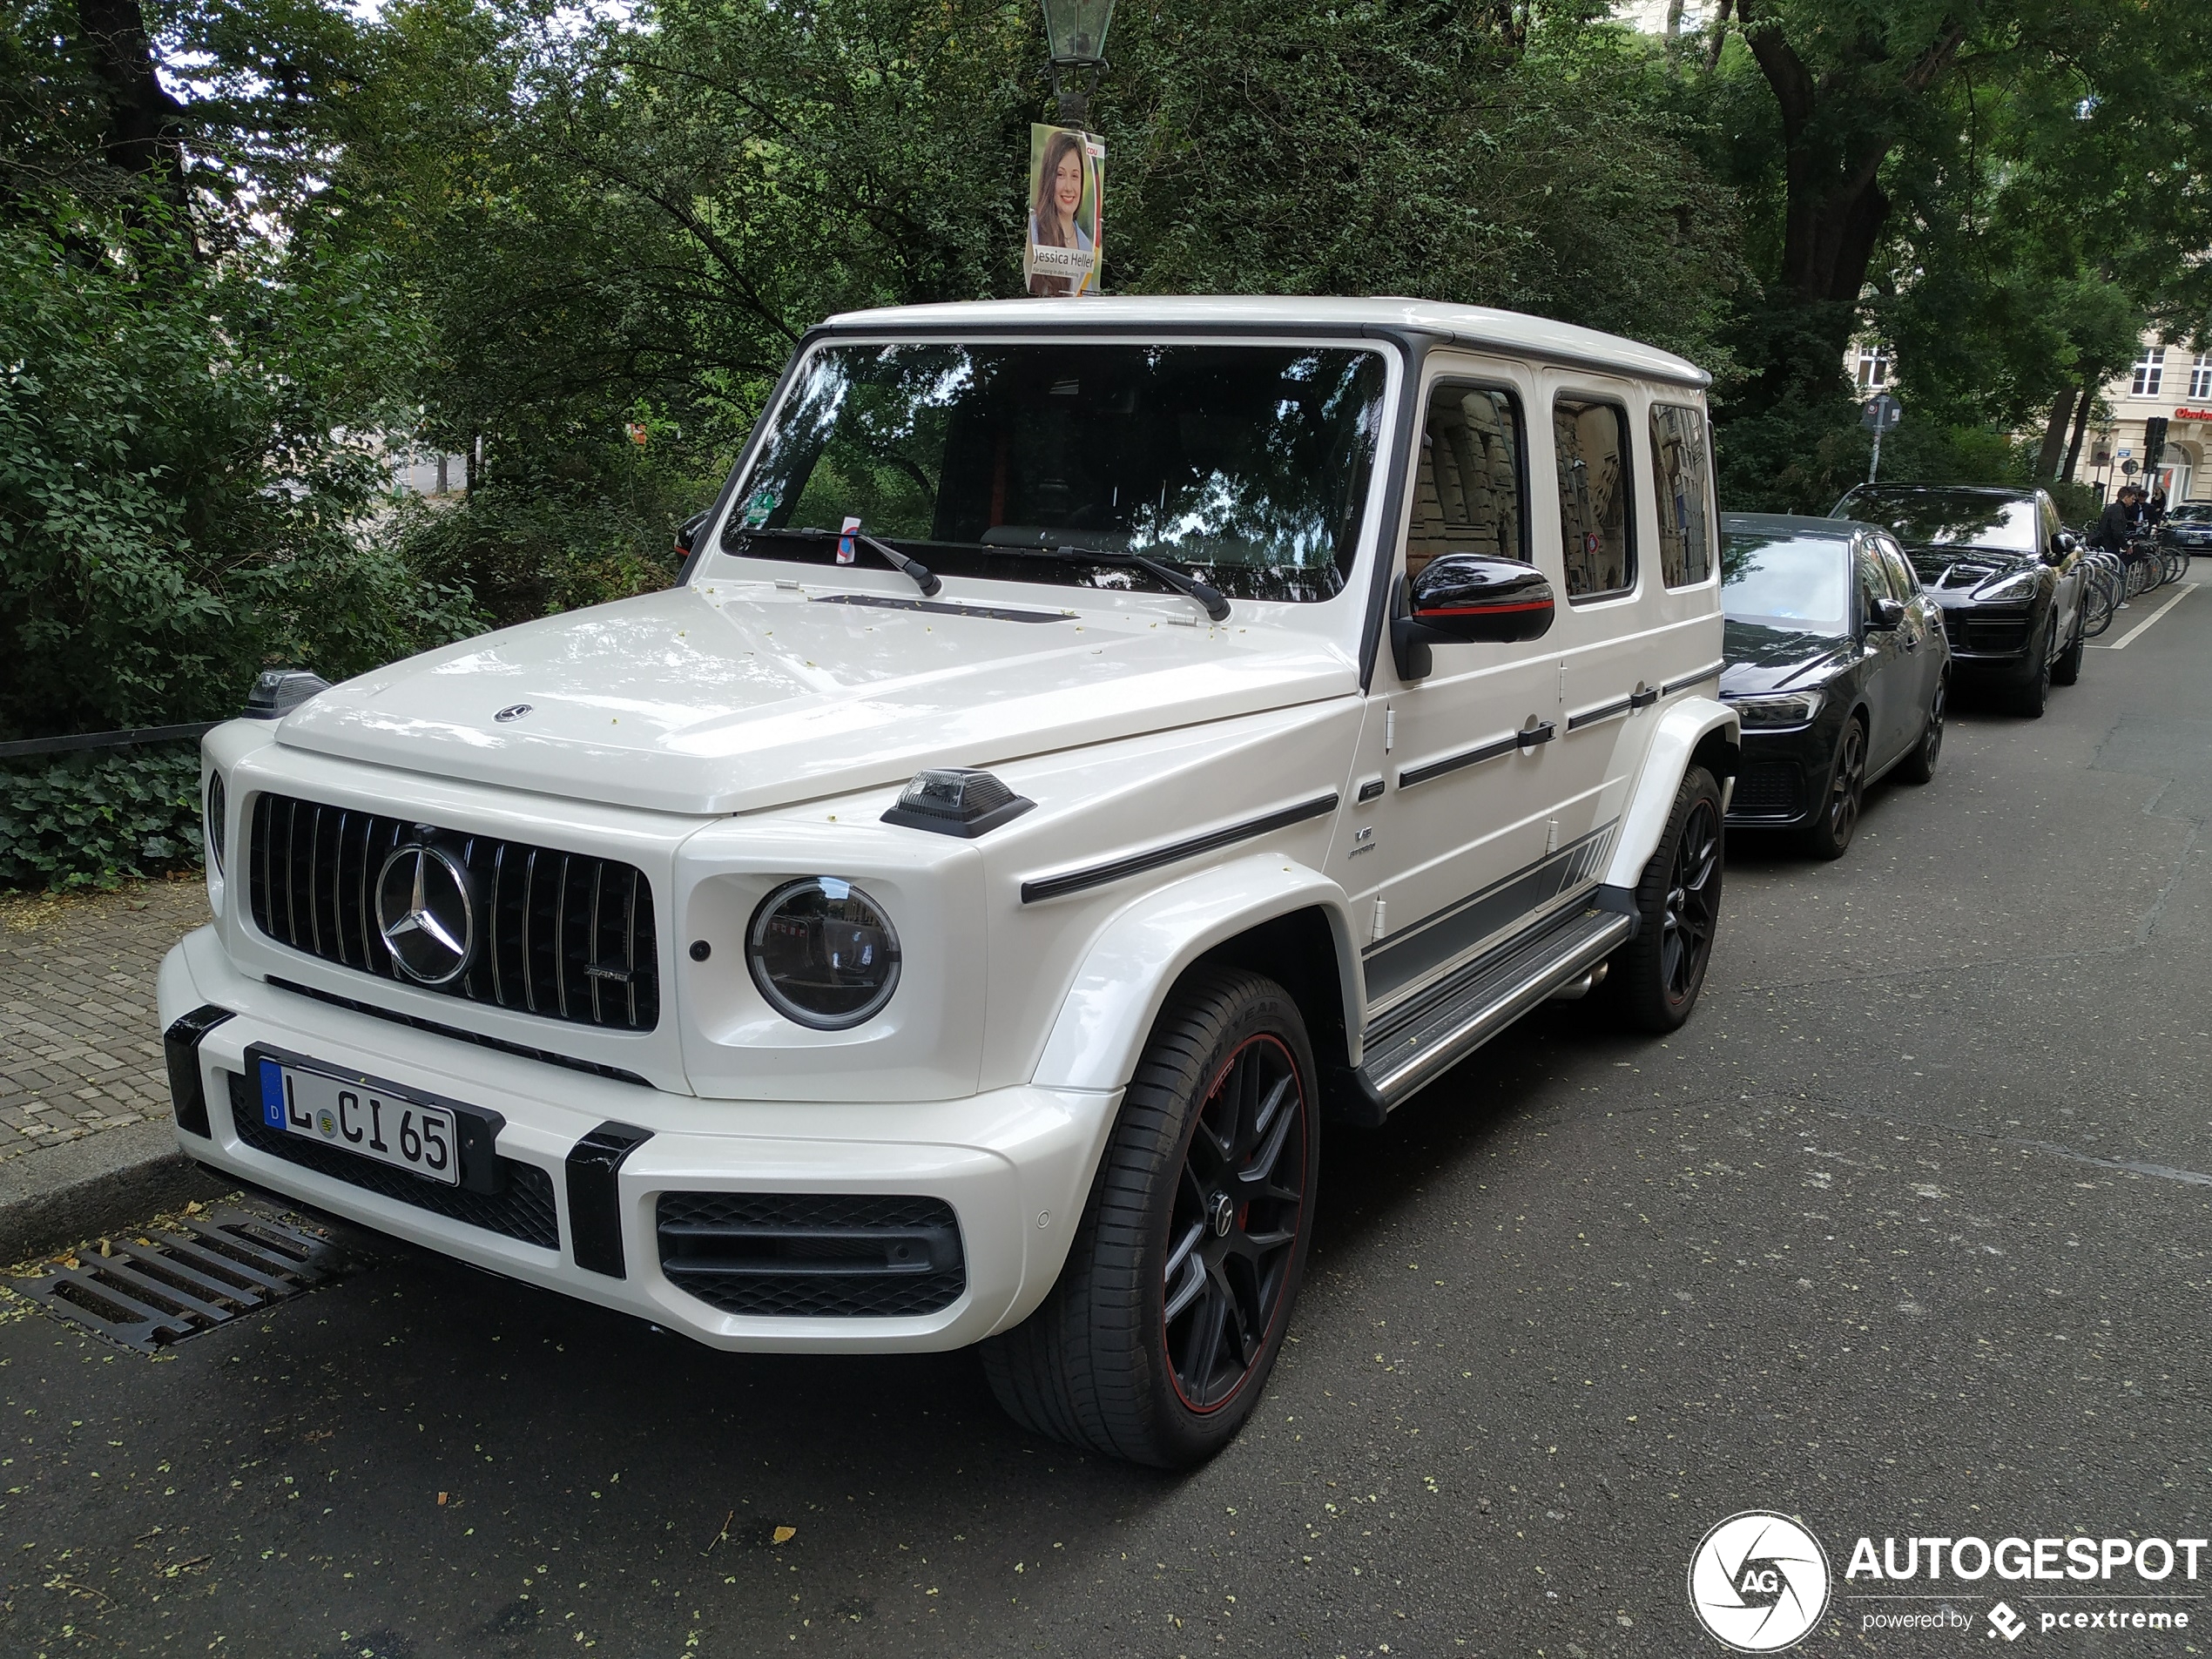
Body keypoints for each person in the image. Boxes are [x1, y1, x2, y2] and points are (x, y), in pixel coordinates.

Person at [1027, 130, 1093, 298]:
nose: (1069, 187)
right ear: (1049, 178)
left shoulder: (1087, 245)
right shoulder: (1034, 230)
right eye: (1060, 175)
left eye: (1075, 176)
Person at [2093, 483, 2144, 553]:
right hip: (2109, 544)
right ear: (2126, 498)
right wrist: (2125, 546)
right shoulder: (2118, 509)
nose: (2133, 501)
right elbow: (2117, 530)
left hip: (2106, 542)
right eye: (2132, 499)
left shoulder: (2115, 507)